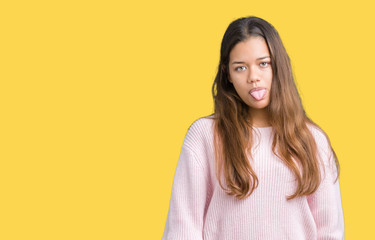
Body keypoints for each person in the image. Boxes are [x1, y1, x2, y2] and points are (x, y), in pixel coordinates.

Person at [161, 16, 344, 240]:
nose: (253, 77)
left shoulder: (312, 139)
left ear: (278, 65)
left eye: (263, 64)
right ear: (227, 74)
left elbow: (329, 231)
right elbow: (183, 228)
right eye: (240, 68)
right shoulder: (205, 136)